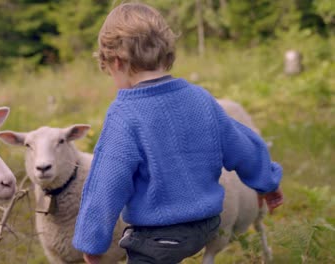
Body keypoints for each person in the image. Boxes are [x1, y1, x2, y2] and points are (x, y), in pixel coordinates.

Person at [72, 3, 284, 264]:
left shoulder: (124, 113)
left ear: (116, 62)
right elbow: (243, 147)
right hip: (205, 224)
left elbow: (106, 185)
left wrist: (92, 244)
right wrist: (268, 182)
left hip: (159, 236)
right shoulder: (201, 99)